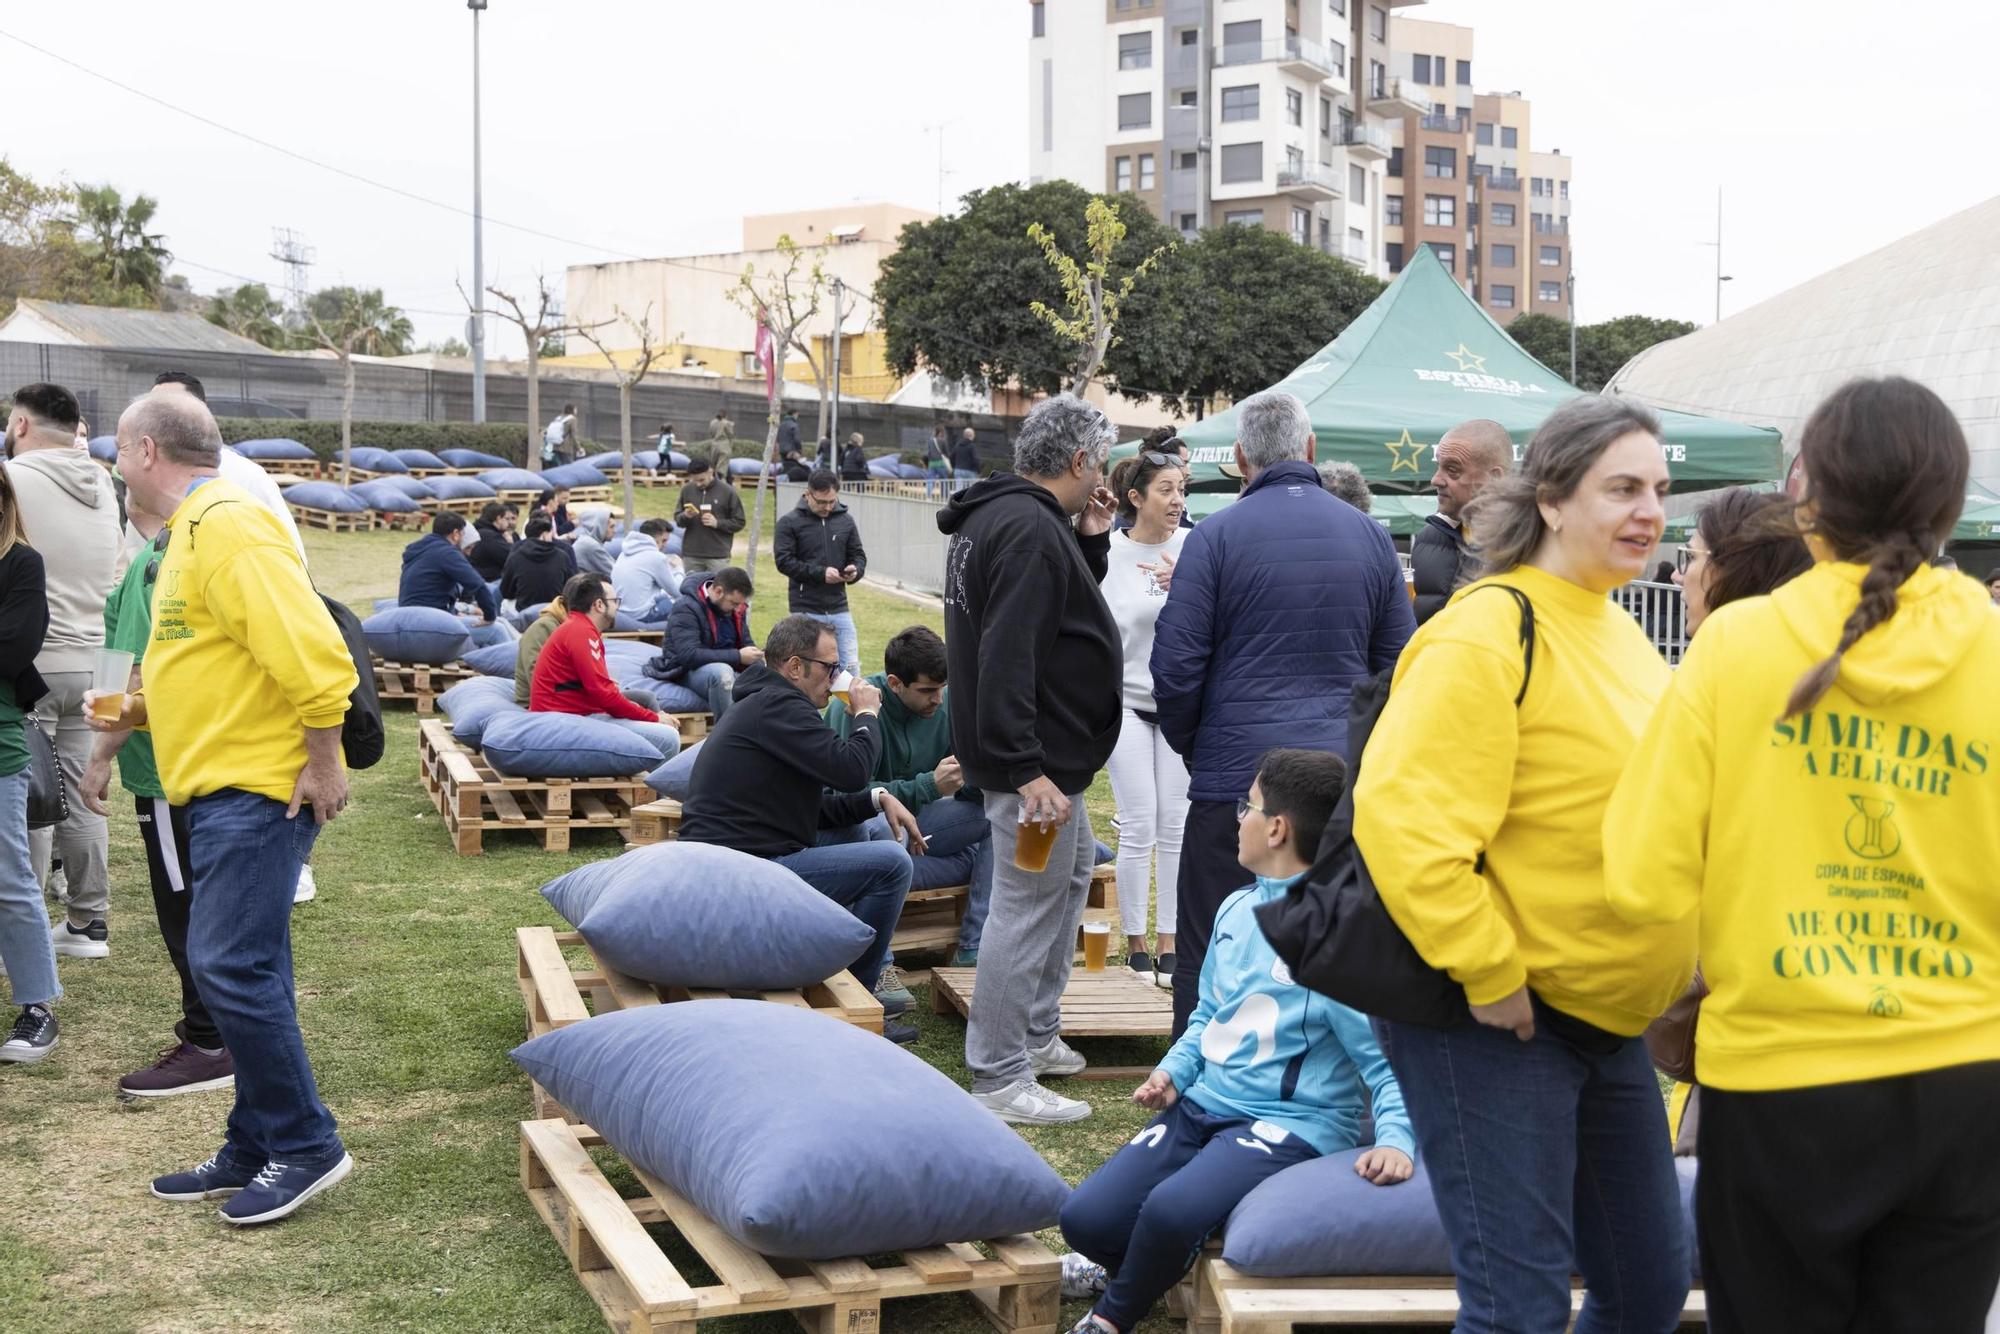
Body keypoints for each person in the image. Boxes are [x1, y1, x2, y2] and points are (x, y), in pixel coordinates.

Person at [1605, 377, 2000, 1333]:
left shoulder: (1738, 643)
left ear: (1807, 499)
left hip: (1780, 1079)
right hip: (1966, 1078)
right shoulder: (1993, 647)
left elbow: (1641, 874)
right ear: (1947, 505)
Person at [1354, 394, 1690, 1331]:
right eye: (1621, 487)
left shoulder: (1620, 630)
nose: (1650, 512)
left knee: (1647, 1287)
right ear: (1549, 498)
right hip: (1498, 1020)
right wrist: (1491, 969)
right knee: (1517, 1309)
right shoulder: (1487, 629)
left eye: (1659, 490)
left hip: (1606, 1018)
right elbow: (1406, 820)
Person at [92, 388, 358, 1225]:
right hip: (217, 785)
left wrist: (322, 761)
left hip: (260, 786)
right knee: (247, 966)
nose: (113, 466)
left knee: (227, 967)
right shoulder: (189, 534)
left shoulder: (230, 523)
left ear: (144, 452)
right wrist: (135, 712)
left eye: (118, 451)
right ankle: (253, 1142)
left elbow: (315, 654)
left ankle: (308, 1144)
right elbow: (210, 658)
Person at [1058, 749, 1415, 1334]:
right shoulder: (1237, 907)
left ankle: (1112, 1315)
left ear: (1277, 828)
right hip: (1204, 1105)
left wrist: (1397, 1139)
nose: (1238, 818)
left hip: (1290, 1124)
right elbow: (1209, 1017)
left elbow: (1386, 1063)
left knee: (1170, 1212)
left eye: (1246, 807)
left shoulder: (1339, 937)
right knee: (1086, 1219)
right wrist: (1172, 1072)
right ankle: (1138, 1273)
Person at [1151, 390, 1414, 1036]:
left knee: (1213, 945)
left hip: (1237, 781)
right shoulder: (1371, 538)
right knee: (1337, 947)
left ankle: (1201, 1087)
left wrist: (1199, 748)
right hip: (1336, 784)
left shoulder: (1212, 539)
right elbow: (1401, 672)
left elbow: (1175, 669)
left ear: (1241, 458)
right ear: (1312, 451)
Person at [938, 394, 1122, 1124]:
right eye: (1100, 463)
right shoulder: (1025, 529)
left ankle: (1035, 1036)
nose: (1102, 475)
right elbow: (1008, 651)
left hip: (1044, 760)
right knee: (1023, 904)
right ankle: (999, 1074)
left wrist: (1094, 538)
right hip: (1033, 765)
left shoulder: (1012, 520)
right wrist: (1024, 766)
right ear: (1079, 461)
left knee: (1070, 875)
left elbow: (1058, 610)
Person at [678, 615, 922, 1041]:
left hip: (741, 853)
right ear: (794, 667)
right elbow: (850, 769)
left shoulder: (766, 703)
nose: (836, 677)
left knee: (860, 831)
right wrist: (866, 713)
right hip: (742, 870)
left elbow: (807, 810)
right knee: (892, 863)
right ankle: (859, 997)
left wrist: (876, 799)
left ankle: (833, 971)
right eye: (830, 667)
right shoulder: (780, 707)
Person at [4, 381, 119, 959]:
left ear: (20, 426)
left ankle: (20, 927)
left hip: (34, 663)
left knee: (31, 797)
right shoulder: (104, 482)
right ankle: (87, 923)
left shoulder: (13, 482)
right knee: (80, 790)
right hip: (96, 664)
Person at [825, 627, 995, 969]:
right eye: (928, 690)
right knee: (887, 832)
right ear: (894, 683)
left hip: (923, 824)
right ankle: (879, 964)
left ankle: (974, 948)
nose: (938, 699)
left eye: (943, 689)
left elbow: (968, 793)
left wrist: (980, 770)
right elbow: (845, 797)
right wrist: (929, 787)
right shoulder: (856, 707)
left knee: (1001, 815)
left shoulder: (945, 709)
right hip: (866, 828)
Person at [1100, 451, 1190, 987]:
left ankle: (1170, 943)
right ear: (1136, 498)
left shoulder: (1197, 548)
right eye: (1165, 489)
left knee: (1175, 826)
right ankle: (1134, 945)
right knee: (1139, 824)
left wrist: (1188, 590)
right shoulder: (1107, 552)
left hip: (1179, 706)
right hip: (1126, 705)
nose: (1177, 501)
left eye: (1182, 489)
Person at [0, 463, 60, 1063]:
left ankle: (37, 1005)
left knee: (10, 879)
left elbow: (15, 645)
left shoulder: (20, 562)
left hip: (1, 745)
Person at [528, 574, 680, 762]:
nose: (618, 606)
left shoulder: (577, 628)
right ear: (599, 605)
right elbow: (603, 694)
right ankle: (657, 791)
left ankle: (649, 784)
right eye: (615, 601)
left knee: (644, 702)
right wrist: (654, 718)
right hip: (566, 721)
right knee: (667, 738)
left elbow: (598, 692)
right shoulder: (581, 632)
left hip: (571, 714)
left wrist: (642, 713)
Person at [1412, 418, 1512, 625]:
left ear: (1495, 478)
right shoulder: (1429, 538)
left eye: (1453, 470)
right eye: (1439, 466)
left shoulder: (1528, 545)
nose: (1435, 480)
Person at [774, 470, 866, 679]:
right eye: (822, 502)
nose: (827, 507)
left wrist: (855, 570)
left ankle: (849, 711)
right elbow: (784, 562)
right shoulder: (789, 522)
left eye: (832, 501)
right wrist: (820, 574)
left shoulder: (846, 521)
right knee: (806, 673)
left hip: (839, 606)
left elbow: (858, 555)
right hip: (805, 607)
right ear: (808, 494)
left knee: (849, 669)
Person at [644, 567, 759, 720]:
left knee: (765, 672)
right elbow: (689, 655)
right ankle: (728, 735)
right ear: (718, 592)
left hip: (729, 663)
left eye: (740, 604)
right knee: (722, 674)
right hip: (686, 670)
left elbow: (745, 643)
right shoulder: (686, 607)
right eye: (733, 603)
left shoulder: (735, 608)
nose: (738, 609)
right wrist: (737, 656)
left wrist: (757, 659)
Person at [397, 512, 509, 646]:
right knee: (496, 630)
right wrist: (490, 616)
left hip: (409, 619)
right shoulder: (447, 552)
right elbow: (478, 585)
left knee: (490, 627)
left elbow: (431, 592)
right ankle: (518, 666)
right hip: (430, 623)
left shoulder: (419, 551)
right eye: (462, 534)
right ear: (456, 534)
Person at [675, 456, 747, 575]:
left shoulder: (727, 492)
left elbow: (739, 522)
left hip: (718, 555)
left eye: (701, 480)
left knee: (718, 590)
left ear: (710, 472)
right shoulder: (686, 490)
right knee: (691, 591)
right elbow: (678, 519)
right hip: (691, 554)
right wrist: (685, 516)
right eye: (695, 480)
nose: (698, 484)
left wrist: (717, 523)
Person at [610, 518, 684, 625]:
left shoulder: (624, 553)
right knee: (686, 603)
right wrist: (678, 568)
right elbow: (678, 592)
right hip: (642, 615)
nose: (665, 545)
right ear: (655, 538)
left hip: (621, 612)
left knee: (662, 595)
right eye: (664, 540)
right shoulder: (656, 557)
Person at [500, 515, 575, 612]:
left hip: (524, 613)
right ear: (544, 535)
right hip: (555, 612)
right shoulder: (562, 556)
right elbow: (570, 588)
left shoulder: (516, 556)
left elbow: (506, 592)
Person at [512, 596, 566, 707]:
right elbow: (538, 678)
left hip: (565, 699)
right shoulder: (543, 628)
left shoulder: (582, 630)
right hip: (540, 704)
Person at [467, 502, 517, 584]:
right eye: (506, 519)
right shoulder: (490, 536)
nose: (508, 523)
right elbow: (512, 558)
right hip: (488, 580)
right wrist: (511, 543)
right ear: (498, 519)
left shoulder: (479, 530)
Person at [571, 510, 615, 578]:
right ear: (600, 526)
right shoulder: (590, 545)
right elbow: (615, 572)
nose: (615, 531)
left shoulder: (586, 539)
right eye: (611, 527)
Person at [542, 403, 577, 468]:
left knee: (557, 467)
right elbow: (573, 435)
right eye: (575, 409)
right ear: (573, 410)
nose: (576, 411)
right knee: (569, 467)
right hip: (566, 448)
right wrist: (578, 447)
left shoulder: (558, 418)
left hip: (554, 445)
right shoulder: (572, 419)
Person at [925, 425, 951, 499]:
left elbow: (929, 453)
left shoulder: (930, 441)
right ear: (941, 432)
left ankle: (928, 496)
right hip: (940, 463)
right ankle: (945, 496)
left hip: (932, 463)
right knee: (943, 480)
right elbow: (946, 453)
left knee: (930, 480)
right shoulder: (943, 441)